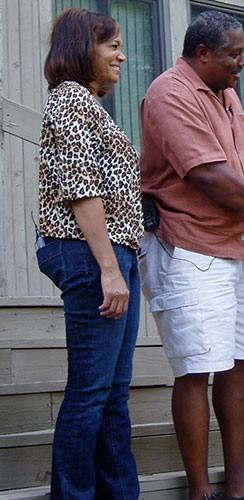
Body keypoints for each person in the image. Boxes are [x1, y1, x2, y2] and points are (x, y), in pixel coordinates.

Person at [138, 10, 244, 500]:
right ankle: (199, 492)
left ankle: (238, 488)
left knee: (241, 363)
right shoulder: (169, 92)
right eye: (233, 53)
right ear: (203, 53)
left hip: (235, 251)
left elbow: (241, 171)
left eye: (243, 52)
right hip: (189, 250)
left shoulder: (227, 96)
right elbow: (208, 174)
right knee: (195, 368)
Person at [37, 7, 142, 499]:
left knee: (112, 394)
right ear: (83, 49)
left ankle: (120, 494)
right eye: (112, 45)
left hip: (114, 254)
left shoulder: (89, 105)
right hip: (90, 255)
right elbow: (83, 190)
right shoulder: (69, 101)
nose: (122, 54)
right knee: (90, 393)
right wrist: (109, 271)